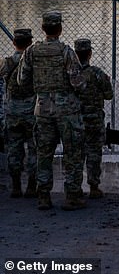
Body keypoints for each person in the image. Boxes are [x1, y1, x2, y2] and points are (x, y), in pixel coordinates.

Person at [17, 11, 87, 211]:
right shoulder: (66, 52)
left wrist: (41, 91)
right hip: (67, 111)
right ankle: (72, 196)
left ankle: (43, 196)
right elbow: (78, 83)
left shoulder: (31, 52)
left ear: (43, 29)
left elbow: (22, 81)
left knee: (44, 153)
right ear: (60, 29)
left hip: (42, 109)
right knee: (72, 153)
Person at [74, 38, 113, 199]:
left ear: (75, 55)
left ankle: (75, 187)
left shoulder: (70, 74)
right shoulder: (98, 74)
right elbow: (109, 95)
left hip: (75, 119)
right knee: (94, 153)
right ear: (90, 54)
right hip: (95, 119)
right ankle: (94, 186)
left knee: (75, 154)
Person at [0, 28, 37, 198]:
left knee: (14, 149)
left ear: (14, 43)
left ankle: (16, 186)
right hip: (32, 112)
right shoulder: (35, 64)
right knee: (34, 148)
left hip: (12, 112)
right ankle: (31, 185)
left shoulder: (5, 63)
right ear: (30, 43)